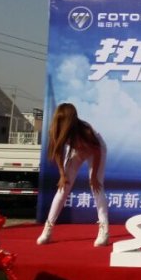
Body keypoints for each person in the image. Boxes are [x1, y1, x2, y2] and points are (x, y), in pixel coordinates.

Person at [37, 103, 110, 247]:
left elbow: (96, 152)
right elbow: (58, 152)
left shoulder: (86, 131)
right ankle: (48, 229)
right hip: (76, 151)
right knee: (63, 189)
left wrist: (93, 177)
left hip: (95, 150)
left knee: (96, 187)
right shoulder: (55, 130)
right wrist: (62, 174)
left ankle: (104, 231)